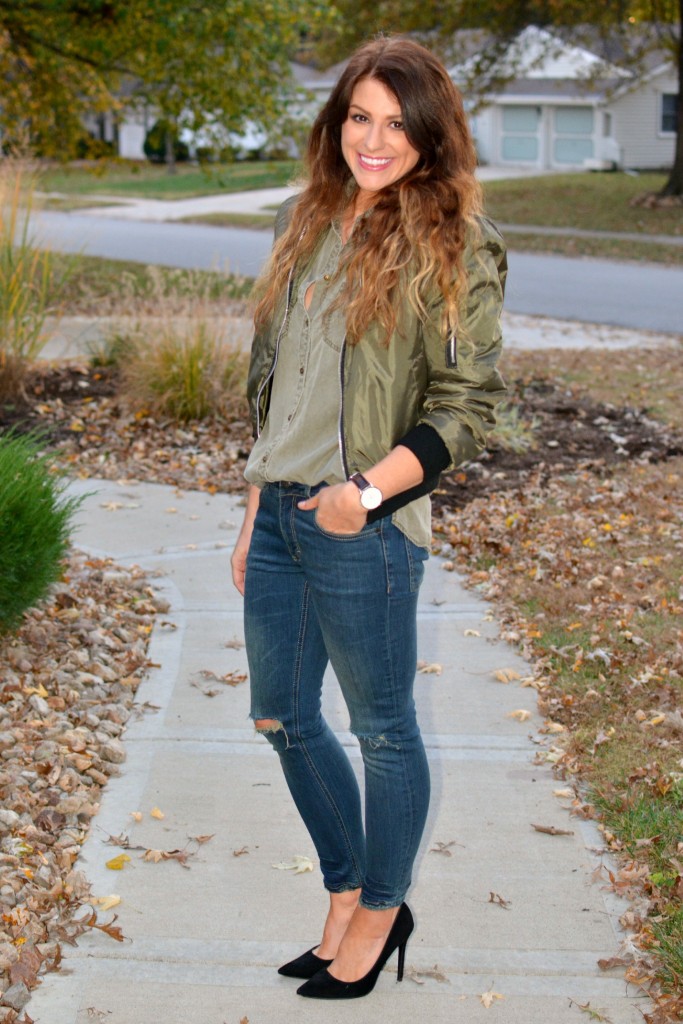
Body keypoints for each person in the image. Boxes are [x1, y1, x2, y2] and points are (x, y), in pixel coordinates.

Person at [230, 35, 507, 1001]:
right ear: (335, 119)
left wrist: (366, 495)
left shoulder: (454, 243)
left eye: (396, 123)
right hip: (279, 518)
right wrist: (255, 505)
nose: (373, 140)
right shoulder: (302, 218)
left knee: (382, 730)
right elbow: (278, 389)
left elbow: (465, 408)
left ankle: (380, 911)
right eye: (359, 116)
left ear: (430, 136)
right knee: (282, 717)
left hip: (365, 525)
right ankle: (346, 892)